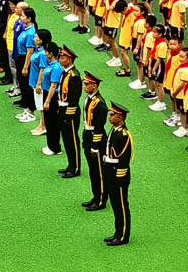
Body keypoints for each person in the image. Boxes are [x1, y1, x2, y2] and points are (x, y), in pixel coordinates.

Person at [103, 101, 133, 246]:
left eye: (112, 115)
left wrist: (118, 176)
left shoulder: (124, 135)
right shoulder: (114, 130)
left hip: (118, 175)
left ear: (120, 117)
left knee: (121, 205)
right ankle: (117, 232)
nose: (110, 117)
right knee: (115, 205)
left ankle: (123, 236)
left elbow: (123, 159)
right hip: (110, 172)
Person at [81, 72, 108, 211]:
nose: (84, 86)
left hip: (95, 140)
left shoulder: (100, 105)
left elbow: (98, 127)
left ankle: (101, 200)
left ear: (94, 85)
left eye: (86, 84)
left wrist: (95, 147)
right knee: (93, 171)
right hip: (88, 136)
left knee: (99, 172)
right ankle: (95, 196)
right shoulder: (89, 99)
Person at [57, 45, 82, 178]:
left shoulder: (74, 76)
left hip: (69, 112)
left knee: (72, 140)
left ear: (70, 60)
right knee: (66, 140)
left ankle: (76, 167)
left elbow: (74, 98)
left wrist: (68, 114)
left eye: (63, 57)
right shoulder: (65, 72)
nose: (60, 59)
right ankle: (70, 164)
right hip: (62, 109)